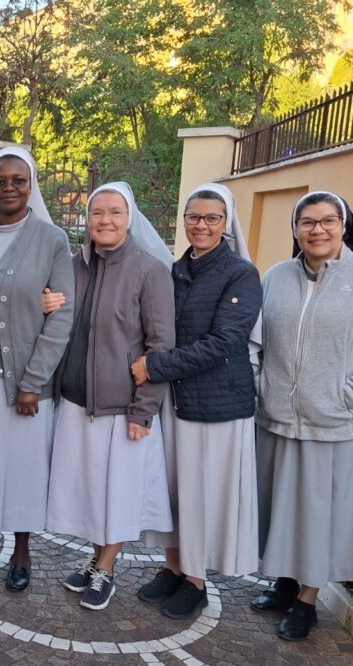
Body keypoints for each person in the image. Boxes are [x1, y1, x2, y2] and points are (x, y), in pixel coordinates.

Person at [253, 191, 353, 640]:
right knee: (282, 508)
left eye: (327, 221)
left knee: (321, 515)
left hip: (339, 422)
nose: (316, 230)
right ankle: (284, 582)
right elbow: (255, 342)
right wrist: (261, 386)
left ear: (344, 225)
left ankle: (307, 600)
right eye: (306, 222)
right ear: (295, 228)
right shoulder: (276, 277)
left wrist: (349, 393)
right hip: (280, 417)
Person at [131, 182, 262, 620]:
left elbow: (226, 341)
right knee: (173, 489)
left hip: (218, 404)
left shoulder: (240, 273)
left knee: (202, 495)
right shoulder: (173, 270)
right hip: (176, 401)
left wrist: (154, 367)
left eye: (211, 218)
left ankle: (196, 581)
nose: (201, 225)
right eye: (194, 217)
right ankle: (172, 567)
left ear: (226, 225)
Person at [46, 182, 175, 610]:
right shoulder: (74, 264)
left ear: (129, 217)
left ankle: (108, 568)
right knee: (92, 490)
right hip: (79, 400)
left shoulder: (149, 269)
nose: (105, 220)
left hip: (123, 406)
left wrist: (144, 410)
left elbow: (160, 347)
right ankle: (96, 557)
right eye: (97, 212)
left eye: (115, 212)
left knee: (118, 493)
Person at [0, 146, 75, 592]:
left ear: (31, 185)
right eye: (0, 181)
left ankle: (22, 549)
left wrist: (34, 380)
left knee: (24, 467)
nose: (9, 188)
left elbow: (61, 315)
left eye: (18, 181)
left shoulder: (52, 240)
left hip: (28, 378)